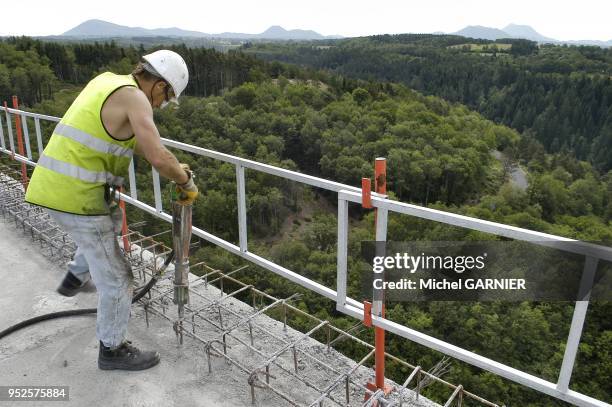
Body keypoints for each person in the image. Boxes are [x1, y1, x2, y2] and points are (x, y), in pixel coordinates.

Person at [24, 50, 198, 371]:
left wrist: (172, 165)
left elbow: (114, 137)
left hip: (52, 185)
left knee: (111, 224)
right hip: (77, 197)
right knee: (118, 279)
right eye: (166, 97)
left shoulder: (107, 81)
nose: (161, 105)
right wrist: (185, 180)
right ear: (159, 85)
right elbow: (157, 157)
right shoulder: (136, 99)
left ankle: (75, 277)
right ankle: (112, 349)